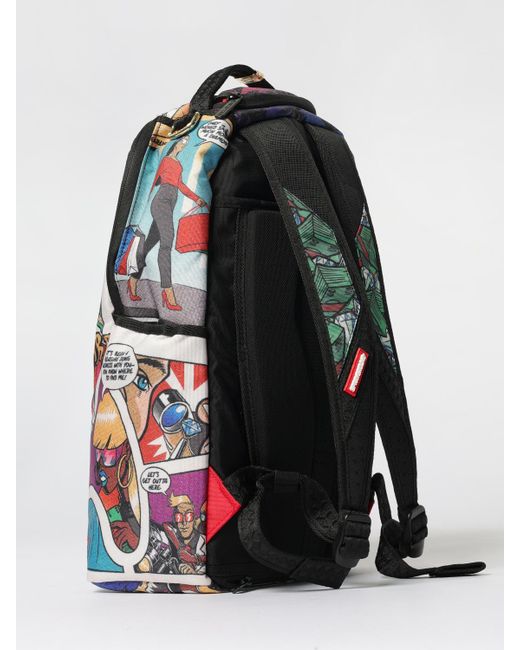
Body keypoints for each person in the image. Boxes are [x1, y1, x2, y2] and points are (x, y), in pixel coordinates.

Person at [127, 136, 206, 310]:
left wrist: (197, 198)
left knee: (149, 245)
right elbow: (153, 180)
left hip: (170, 203)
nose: (183, 145)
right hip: (161, 200)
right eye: (182, 142)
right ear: (175, 144)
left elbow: (180, 185)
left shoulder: (178, 165)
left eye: (185, 144)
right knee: (166, 245)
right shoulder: (166, 160)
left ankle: (132, 281)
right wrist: (140, 211)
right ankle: (168, 292)